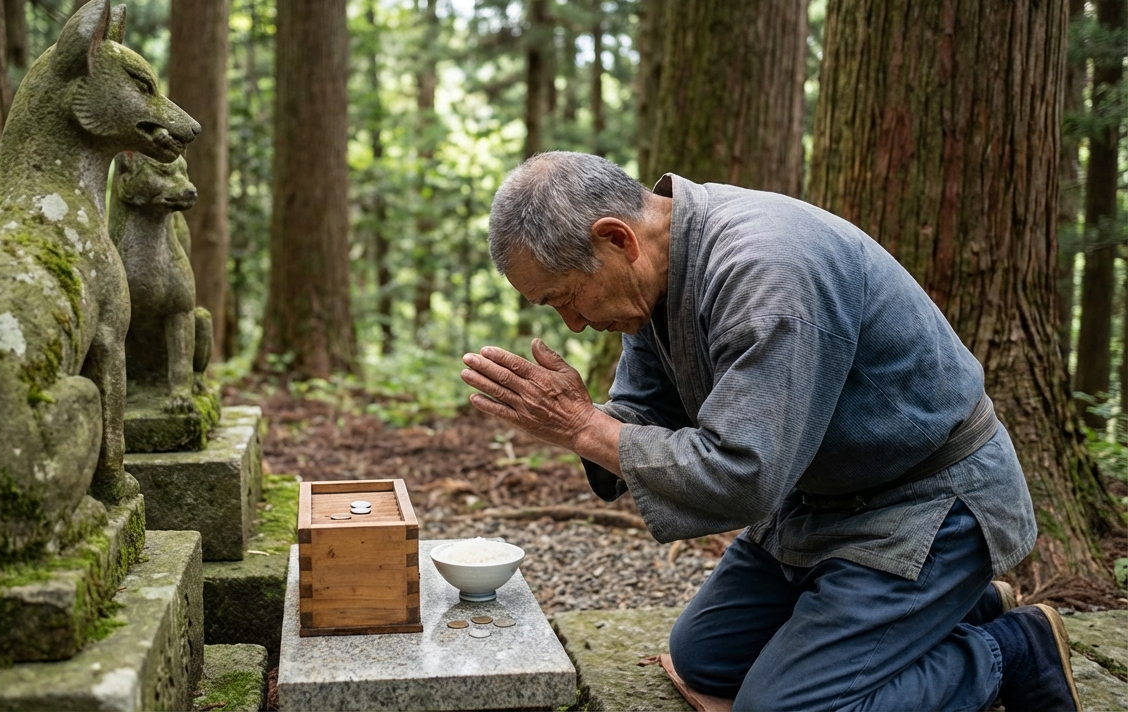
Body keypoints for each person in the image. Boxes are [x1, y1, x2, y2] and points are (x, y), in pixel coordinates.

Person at [459, 151, 1080, 711]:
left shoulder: (768, 275)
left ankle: (1009, 653)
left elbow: (742, 474)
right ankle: (956, 608)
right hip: (818, 505)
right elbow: (644, 409)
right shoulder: (656, 273)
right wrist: (583, 423)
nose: (570, 323)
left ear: (616, 238)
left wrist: (582, 428)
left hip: (923, 505)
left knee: (782, 708)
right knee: (706, 657)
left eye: (566, 297)